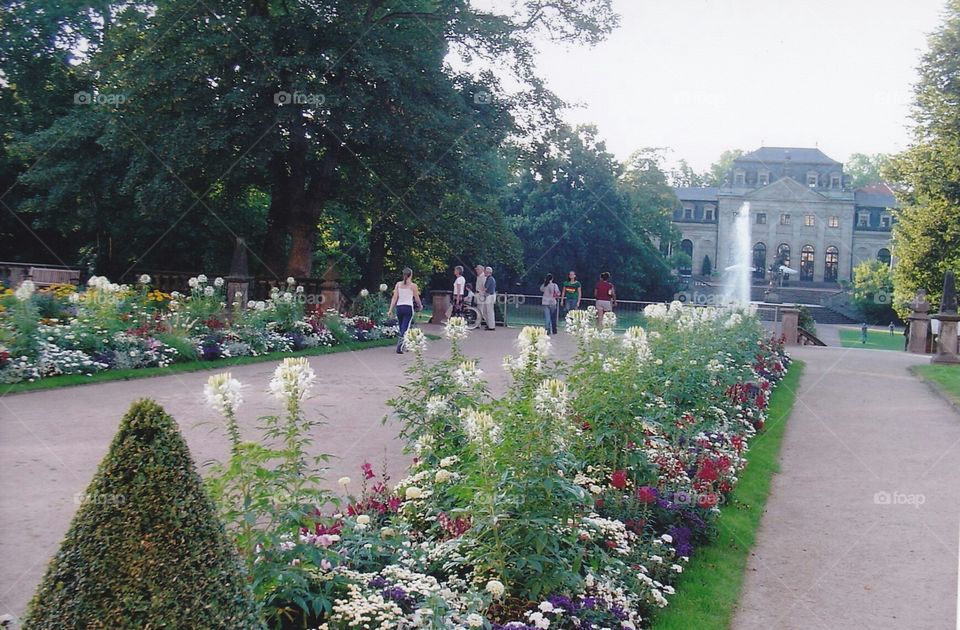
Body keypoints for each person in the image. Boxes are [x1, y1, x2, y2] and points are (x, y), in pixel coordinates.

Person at [387, 268, 423, 354]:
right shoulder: (413, 286)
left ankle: (405, 344)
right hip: (408, 308)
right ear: (411, 275)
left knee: (401, 327)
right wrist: (420, 306)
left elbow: (395, 297)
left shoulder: (398, 284)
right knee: (405, 328)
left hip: (399, 307)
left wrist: (390, 309)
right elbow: (416, 298)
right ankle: (400, 346)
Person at [483, 266, 497, 330]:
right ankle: (489, 324)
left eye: (485, 271)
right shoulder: (490, 278)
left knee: (489, 311)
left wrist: (480, 292)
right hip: (490, 296)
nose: (484, 273)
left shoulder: (489, 279)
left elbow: (485, 288)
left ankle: (491, 326)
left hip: (490, 296)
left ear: (488, 272)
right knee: (487, 311)